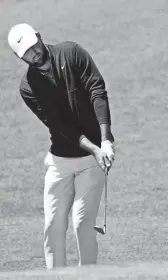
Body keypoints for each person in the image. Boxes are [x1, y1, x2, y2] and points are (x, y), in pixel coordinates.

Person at [7, 23, 116, 269]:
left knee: (82, 221)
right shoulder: (28, 87)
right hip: (61, 161)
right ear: (19, 57)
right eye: (27, 52)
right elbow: (60, 127)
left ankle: (87, 275)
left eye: (34, 45)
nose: (34, 52)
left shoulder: (71, 53)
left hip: (92, 162)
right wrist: (96, 148)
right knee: (53, 224)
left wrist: (105, 139)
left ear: (39, 37)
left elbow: (97, 90)